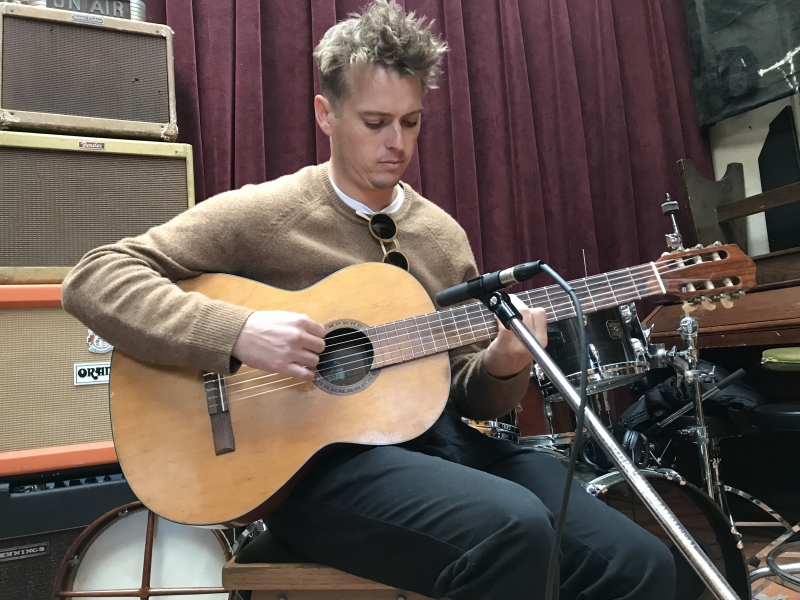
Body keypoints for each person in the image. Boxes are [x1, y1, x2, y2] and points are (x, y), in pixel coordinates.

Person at [62, 2, 677, 598]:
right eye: (375, 122)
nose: (396, 143)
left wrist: (503, 364)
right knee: (509, 530)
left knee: (640, 562)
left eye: (410, 122)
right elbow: (95, 277)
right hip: (313, 475)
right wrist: (238, 331)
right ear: (326, 115)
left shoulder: (441, 234)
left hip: (442, 449)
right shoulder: (270, 213)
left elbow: (464, 389)